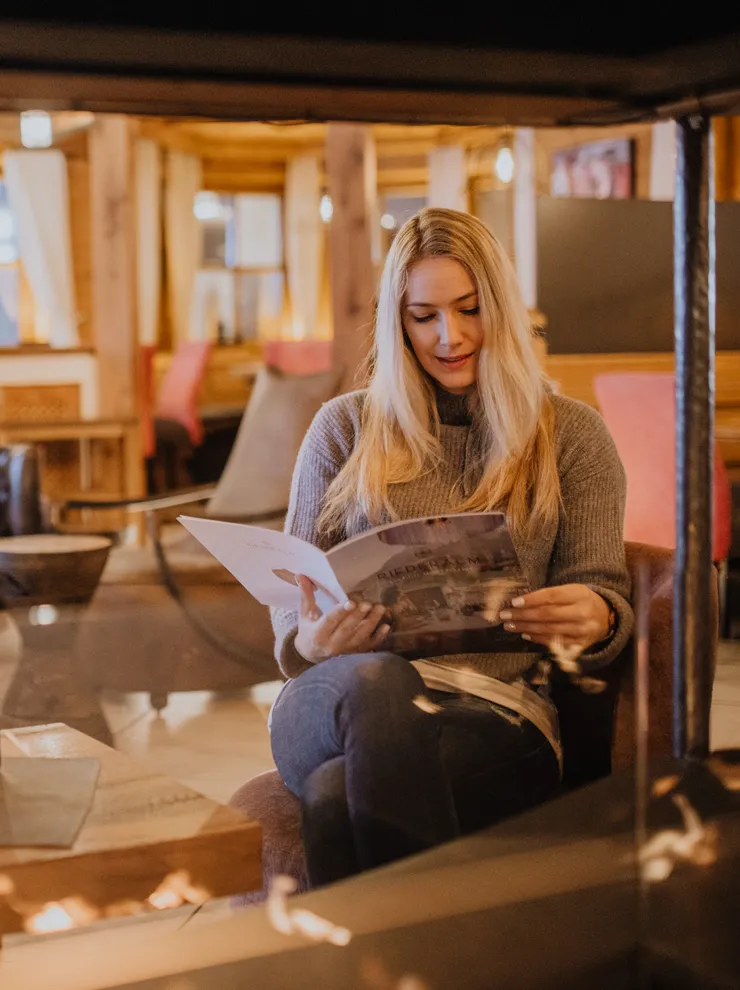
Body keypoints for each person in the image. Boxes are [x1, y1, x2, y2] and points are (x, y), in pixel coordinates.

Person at [268, 207, 634, 888]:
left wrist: (597, 614)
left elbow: (602, 589)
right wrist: (314, 642)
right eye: (423, 315)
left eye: (469, 309)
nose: (449, 336)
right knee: (375, 680)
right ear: (396, 322)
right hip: (333, 697)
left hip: (492, 710)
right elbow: (295, 599)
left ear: (501, 305)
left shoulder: (572, 436)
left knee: (331, 800)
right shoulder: (343, 429)